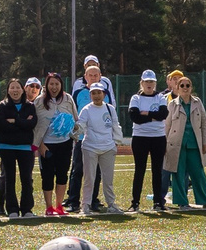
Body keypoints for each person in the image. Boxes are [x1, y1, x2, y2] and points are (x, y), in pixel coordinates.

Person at [164, 70, 206, 211]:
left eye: (188, 85)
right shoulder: (172, 105)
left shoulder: (197, 103)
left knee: (198, 173)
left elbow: (204, 123)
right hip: (176, 144)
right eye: (182, 86)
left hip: (195, 143)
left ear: (191, 88)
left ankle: (204, 200)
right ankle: (182, 202)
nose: (185, 88)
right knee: (178, 173)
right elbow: (167, 125)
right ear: (177, 88)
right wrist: (165, 144)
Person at [0, 76, 40, 216]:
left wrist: (15, 121)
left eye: (17, 87)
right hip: (7, 148)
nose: (15, 90)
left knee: (26, 179)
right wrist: (22, 123)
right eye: (12, 87)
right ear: (8, 90)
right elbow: (1, 126)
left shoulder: (30, 106)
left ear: (22, 89)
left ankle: (26, 209)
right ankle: (12, 209)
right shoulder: (2, 105)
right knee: (9, 179)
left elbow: (32, 124)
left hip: (25, 148)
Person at [125, 71, 170, 212]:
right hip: (140, 138)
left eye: (151, 82)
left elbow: (163, 114)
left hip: (158, 137)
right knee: (140, 170)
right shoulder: (136, 98)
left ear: (155, 83)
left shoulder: (161, 97)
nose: (149, 84)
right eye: (147, 81)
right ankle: (135, 203)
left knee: (157, 171)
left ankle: (158, 202)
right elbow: (135, 118)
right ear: (142, 83)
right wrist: (153, 117)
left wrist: (147, 114)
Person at [75, 77, 120, 216]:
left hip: (108, 148)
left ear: (104, 94)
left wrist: (116, 143)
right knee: (89, 178)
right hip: (90, 147)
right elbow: (81, 125)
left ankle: (111, 204)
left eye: (99, 93)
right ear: (90, 95)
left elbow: (115, 126)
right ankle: (86, 205)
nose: (96, 95)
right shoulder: (86, 109)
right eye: (93, 93)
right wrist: (75, 130)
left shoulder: (110, 109)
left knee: (108, 179)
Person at [38, 70, 78, 216]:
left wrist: (74, 133)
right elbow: (35, 126)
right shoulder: (39, 101)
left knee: (62, 175)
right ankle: (49, 207)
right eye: (51, 84)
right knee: (47, 176)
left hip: (65, 143)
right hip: (47, 145)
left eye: (57, 84)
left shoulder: (68, 99)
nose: (54, 87)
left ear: (61, 85)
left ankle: (59, 206)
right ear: (46, 85)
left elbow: (75, 118)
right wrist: (40, 144)